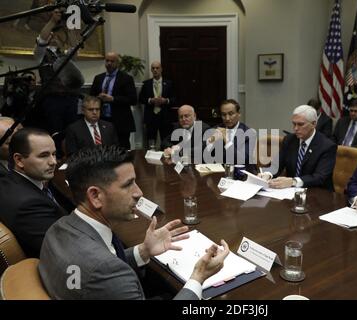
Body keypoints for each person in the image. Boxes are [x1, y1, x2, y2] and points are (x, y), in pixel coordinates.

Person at [39, 146, 229, 299]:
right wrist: (198, 277)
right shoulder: (108, 272)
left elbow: (104, 262)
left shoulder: (58, 228)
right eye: (128, 184)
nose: (139, 192)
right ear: (95, 196)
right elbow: (105, 269)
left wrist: (144, 251)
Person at [0, 128, 67, 257]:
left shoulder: (6, 181)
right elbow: (65, 248)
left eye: (54, 154)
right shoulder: (29, 205)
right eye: (44, 155)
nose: (53, 162)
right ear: (19, 160)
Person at [34, 8, 84, 158]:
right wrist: (53, 21)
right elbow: (41, 40)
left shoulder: (64, 54)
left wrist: (69, 27)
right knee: (55, 133)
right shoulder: (40, 54)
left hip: (70, 99)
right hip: (52, 99)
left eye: (57, 34)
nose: (55, 36)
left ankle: (73, 160)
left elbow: (75, 49)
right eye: (52, 33)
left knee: (72, 131)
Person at [264, 105, 337, 191]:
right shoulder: (289, 140)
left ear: (313, 124)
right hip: (290, 193)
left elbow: (319, 177)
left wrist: (293, 182)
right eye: (294, 124)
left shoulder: (327, 146)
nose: (295, 128)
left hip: (318, 194)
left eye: (300, 124)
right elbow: (277, 165)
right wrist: (267, 174)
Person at [90, 52, 137, 149]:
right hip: (102, 119)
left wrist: (113, 99)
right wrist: (98, 98)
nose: (109, 63)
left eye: (112, 61)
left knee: (122, 148)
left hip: (121, 120)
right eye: (107, 61)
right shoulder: (98, 78)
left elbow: (133, 99)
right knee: (104, 148)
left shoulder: (126, 78)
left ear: (117, 63)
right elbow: (91, 97)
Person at [206, 99, 257, 173]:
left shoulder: (249, 133)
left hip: (243, 174)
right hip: (220, 173)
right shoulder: (215, 129)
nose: (227, 118)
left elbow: (241, 159)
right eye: (224, 115)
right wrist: (211, 141)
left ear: (239, 114)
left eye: (231, 114)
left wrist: (226, 139)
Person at [139, 61, 176, 148]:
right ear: (151, 70)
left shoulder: (169, 83)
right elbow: (141, 99)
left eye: (157, 68)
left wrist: (165, 100)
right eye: (153, 68)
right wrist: (150, 100)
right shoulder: (146, 84)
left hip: (165, 117)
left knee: (166, 140)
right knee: (151, 141)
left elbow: (174, 99)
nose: (155, 70)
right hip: (151, 117)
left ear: (161, 69)